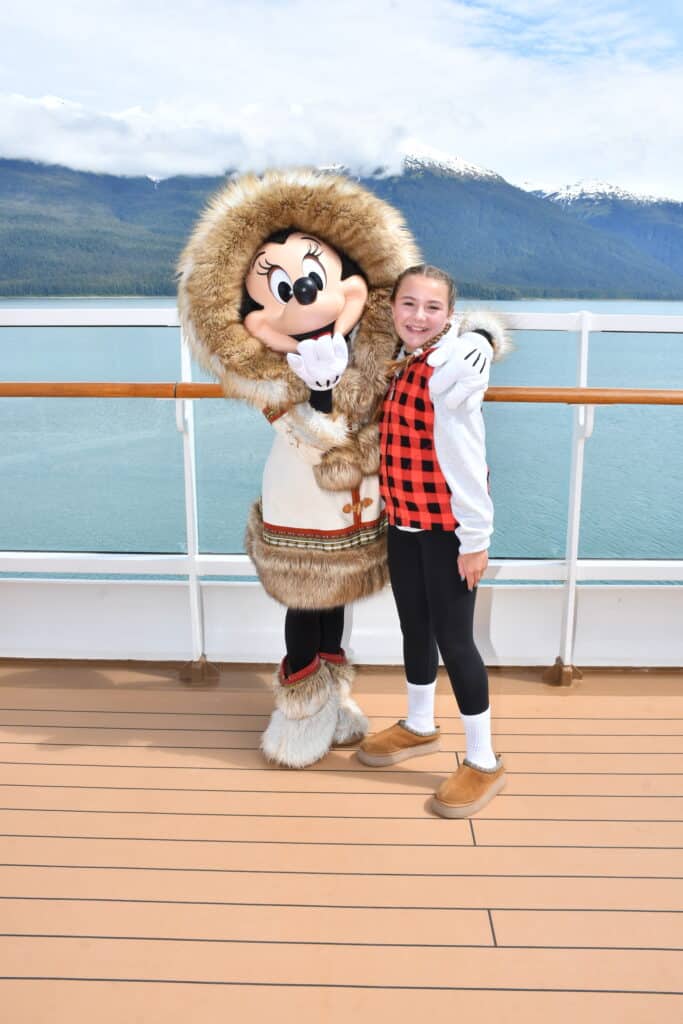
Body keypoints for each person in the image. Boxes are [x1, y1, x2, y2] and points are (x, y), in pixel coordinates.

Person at [356, 264, 511, 818]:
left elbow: (468, 465)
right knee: (414, 628)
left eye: (433, 308)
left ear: (450, 316)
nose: (418, 317)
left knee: (456, 641)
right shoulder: (408, 362)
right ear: (392, 308)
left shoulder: (450, 372)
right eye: (409, 304)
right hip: (404, 525)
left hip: (447, 533)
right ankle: (420, 724)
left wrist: (476, 539)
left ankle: (483, 759)